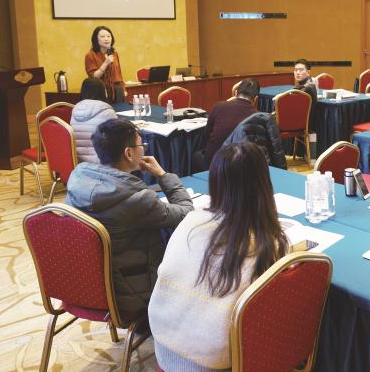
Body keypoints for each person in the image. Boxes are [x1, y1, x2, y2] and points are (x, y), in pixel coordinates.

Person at [149, 142, 288, 371]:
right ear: (263, 183)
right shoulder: (267, 243)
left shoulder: (191, 220)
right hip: (214, 360)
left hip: (163, 342)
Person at [65, 119, 193, 316]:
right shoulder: (137, 199)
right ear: (129, 153)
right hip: (131, 294)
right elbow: (186, 212)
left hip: (83, 285)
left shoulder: (78, 179)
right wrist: (162, 175)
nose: (144, 149)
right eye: (142, 145)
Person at [191, 78, 259, 172]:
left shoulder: (219, 106)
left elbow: (206, 135)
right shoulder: (257, 116)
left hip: (213, 163)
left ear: (235, 93)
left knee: (196, 156)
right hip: (240, 166)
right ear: (256, 99)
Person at [70, 77, 117, 163]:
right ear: (103, 92)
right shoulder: (108, 112)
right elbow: (118, 140)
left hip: (78, 163)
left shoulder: (75, 111)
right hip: (102, 164)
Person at [84, 26, 126, 103]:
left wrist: (123, 88)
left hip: (117, 90)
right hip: (100, 91)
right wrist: (106, 63)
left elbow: (119, 73)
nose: (106, 39)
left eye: (109, 36)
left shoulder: (114, 53)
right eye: (102, 36)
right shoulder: (90, 55)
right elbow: (94, 77)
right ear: (96, 39)